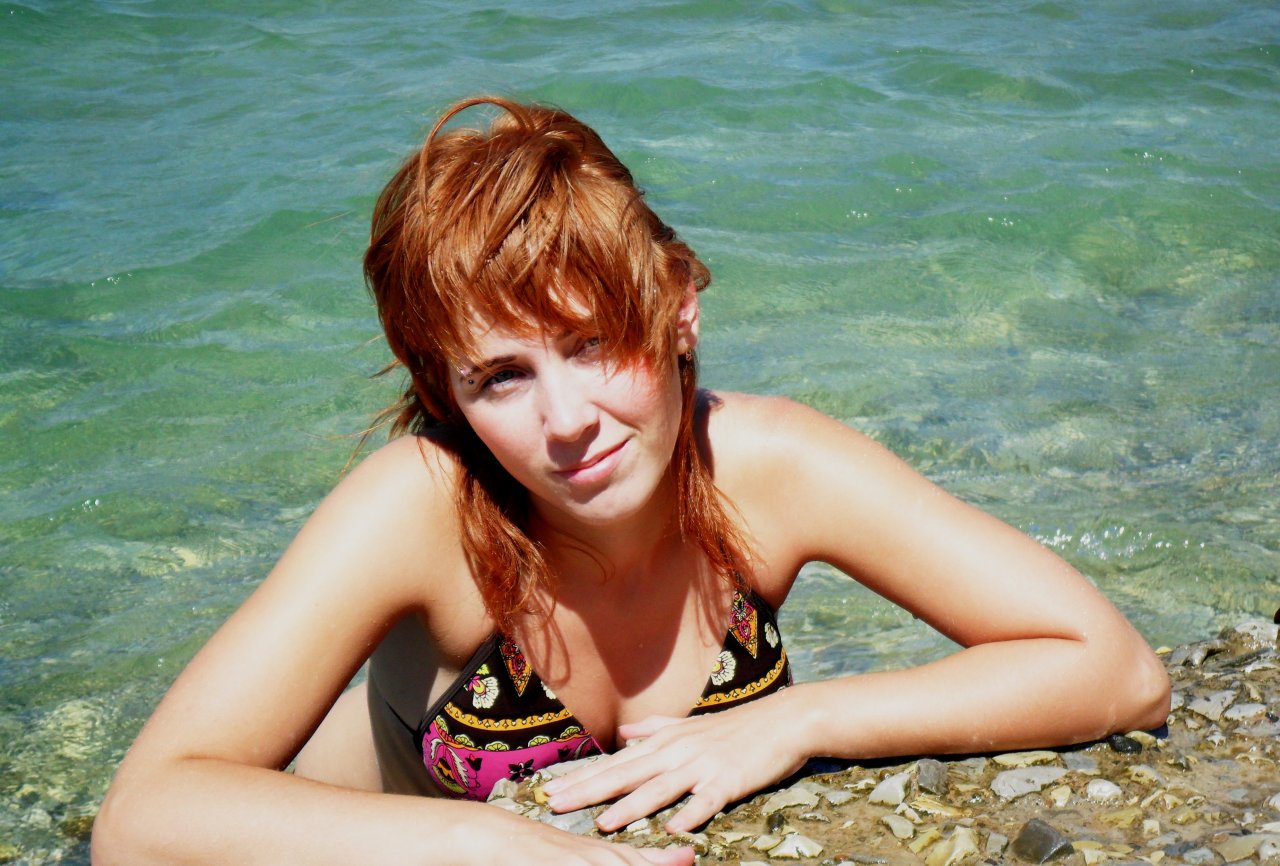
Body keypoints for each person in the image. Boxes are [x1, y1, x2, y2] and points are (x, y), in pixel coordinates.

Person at [93, 96, 1170, 866]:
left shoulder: (765, 467)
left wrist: (800, 719)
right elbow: (144, 819)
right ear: (444, 391)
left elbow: (1116, 670)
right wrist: (489, 843)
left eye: (594, 343)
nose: (565, 420)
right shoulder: (422, 507)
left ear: (678, 307)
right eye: (501, 376)